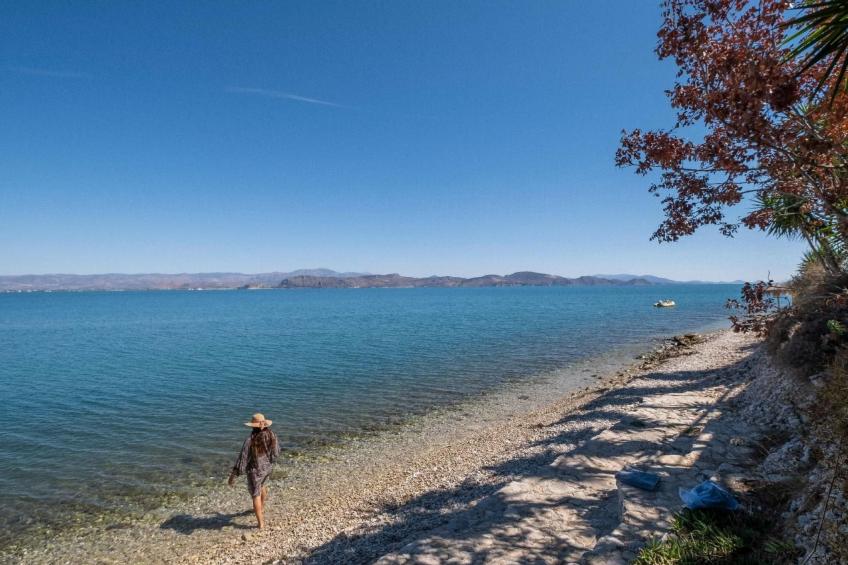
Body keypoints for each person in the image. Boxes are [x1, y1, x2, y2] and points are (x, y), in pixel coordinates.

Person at [228, 413, 280, 529]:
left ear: (252, 426)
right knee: (263, 486)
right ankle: (261, 507)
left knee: (255, 495)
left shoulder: (250, 440)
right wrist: (269, 461)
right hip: (267, 468)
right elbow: (276, 452)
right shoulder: (272, 435)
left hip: (255, 471)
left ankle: (261, 524)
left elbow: (242, 459)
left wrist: (233, 476)